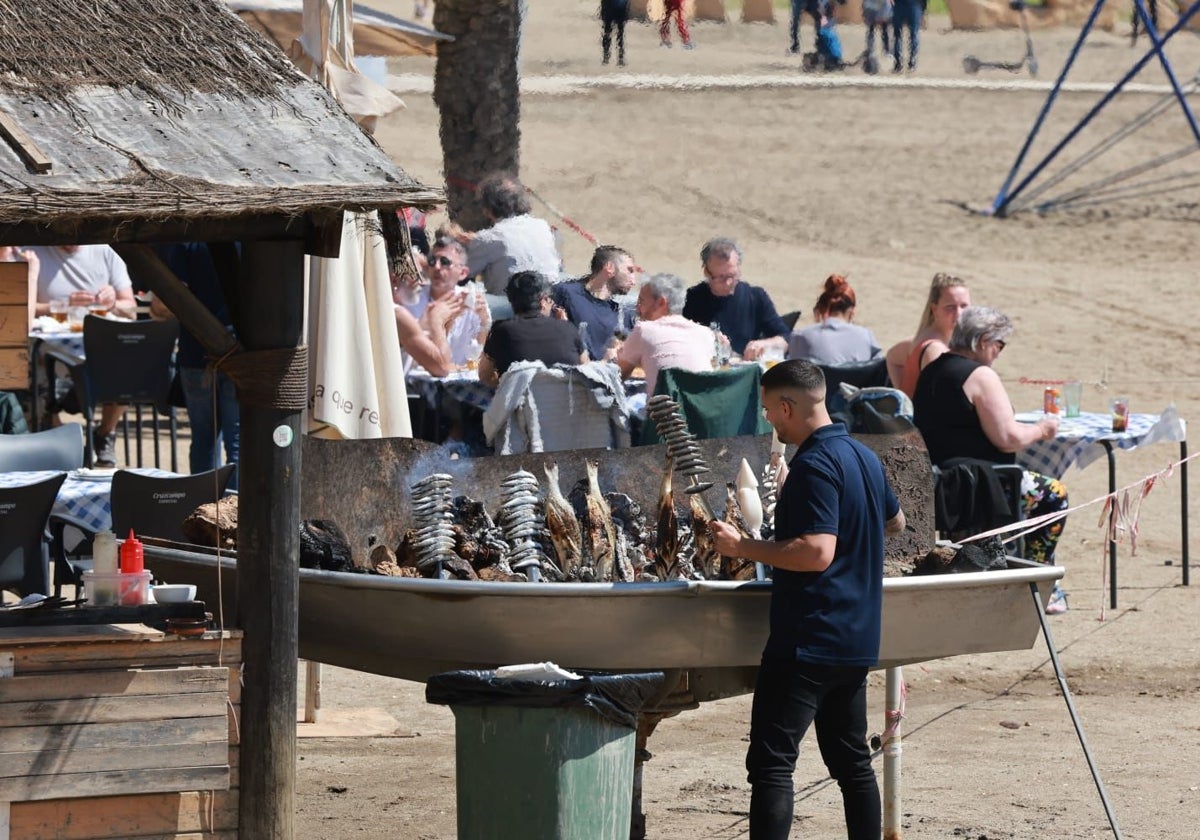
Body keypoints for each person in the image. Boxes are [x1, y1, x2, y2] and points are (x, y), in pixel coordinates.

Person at [708, 359, 905, 840]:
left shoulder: (815, 464)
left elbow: (817, 552)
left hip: (808, 637)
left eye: (770, 411)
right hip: (856, 636)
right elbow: (895, 523)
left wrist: (741, 547)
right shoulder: (862, 457)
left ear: (788, 405)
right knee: (852, 763)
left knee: (772, 765)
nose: (769, 421)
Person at [911, 306, 1070, 611]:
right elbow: (1008, 438)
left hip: (941, 480)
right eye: (1000, 345)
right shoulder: (979, 375)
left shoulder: (932, 369)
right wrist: (1042, 428)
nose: (999, 352)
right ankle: (1039, 577)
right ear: (983, 340)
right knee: (1054, 496)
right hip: (982, 482)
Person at [29, 245, 137, 466]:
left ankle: (105, 433)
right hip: (51, 346)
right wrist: (59, 305)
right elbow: (25, 309)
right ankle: (63, 439)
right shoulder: (34, 252)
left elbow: (131, 307)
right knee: (31, 359)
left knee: (130, 360)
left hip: (99, 344)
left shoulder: (106, 251)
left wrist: (114, 303)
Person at [150, 243, 239, 489]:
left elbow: (166, 304)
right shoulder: (252, 237)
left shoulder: (188, 240)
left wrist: (154, 305)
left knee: (203, 438)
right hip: (240, 353)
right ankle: (239, 515)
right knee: (238, 442)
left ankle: (203, 509)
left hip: (196, 354)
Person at [446, 173, 562, 297]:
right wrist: (478, 240)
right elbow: (514, 240)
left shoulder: (489, 239)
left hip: (513, 306)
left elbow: (461, 274)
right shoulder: (541, 225)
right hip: (550, 298)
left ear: (487, 209)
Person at [682, 237, 789, 361]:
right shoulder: (691, 299)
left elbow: (786, 338)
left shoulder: (755, 297)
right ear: (706, 272)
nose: (727, 283)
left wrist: (764, 344)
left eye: (732, 275)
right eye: (720, 277)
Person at [478, 271, 587, 387]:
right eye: (550, 299)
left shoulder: (501, 331)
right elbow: (586, 369)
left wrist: (506, 385)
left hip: (519, 402)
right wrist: (565, 327)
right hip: (564, 402)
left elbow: (484, 375)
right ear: (543, 300)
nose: (552, 303)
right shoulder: (568, 329)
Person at [397, 237, 491, 368]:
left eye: (445, 262)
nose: (437, 267)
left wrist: (484, 323)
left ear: (463, 273)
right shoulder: (411, 299)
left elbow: (480, 358)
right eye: (432, 261)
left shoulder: (473, 300)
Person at [616, 273, 713, 395]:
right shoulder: (704, 333)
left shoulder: (645, 330)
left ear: (661, 303)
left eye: (641, 302)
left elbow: (617, 377)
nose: (637, 308)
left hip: (665, 412)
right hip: (701, 410)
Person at [885, 272, 970, 398]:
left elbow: (892, 357)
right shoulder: (934, 349)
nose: (959, 313)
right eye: (950, 307)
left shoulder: (927, 338)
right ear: (934, 309)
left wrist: (903, 396)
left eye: (964, 306)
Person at [551, 244, 636, 362]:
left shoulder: (622, 316)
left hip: (608, 377)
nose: (634, 281)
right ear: (610, 268)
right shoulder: (565, 294)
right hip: (570, 376)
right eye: (629, 270)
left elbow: (624, 341)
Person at [787, 274, 882, 365]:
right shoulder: (866, 337)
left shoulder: (801, 337)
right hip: (853, 382)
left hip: (817, 381)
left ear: (821, 307)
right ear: (852, 311)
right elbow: (879, 370)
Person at [892, 0, 924, 72]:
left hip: (901, 5)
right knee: (913, 34)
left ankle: (898, 62)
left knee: (898, 35)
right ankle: (911, 61)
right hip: (913, 4)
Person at [862, 0, 893, 74]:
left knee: (884, 29)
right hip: (871, 6)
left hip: (882, 5)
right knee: (871, 30)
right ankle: (871, 51)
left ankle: (887, 51)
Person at [600, 0, 629, 65]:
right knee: (620, 33)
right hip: (619, 7)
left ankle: (606, 57)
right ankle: (620, 58)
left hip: (609, 7)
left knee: (607, 32)